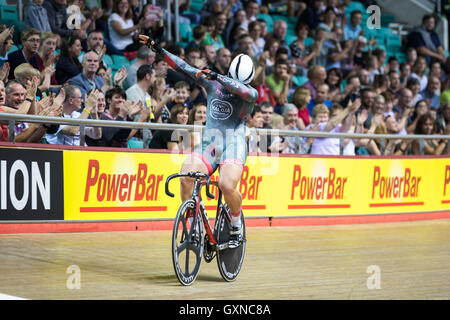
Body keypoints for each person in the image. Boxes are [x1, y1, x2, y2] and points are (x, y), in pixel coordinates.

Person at [140, 35, 258, 247]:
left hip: (234, 143)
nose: (238, 84)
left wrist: (218, 77)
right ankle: (193, 223)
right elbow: (184, 66)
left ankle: (236, 221)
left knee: (225, 184)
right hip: (210, 143)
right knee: (186, 176)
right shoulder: (212, 82)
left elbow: (239, 89)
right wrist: (159, 49)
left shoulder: (250, 92)